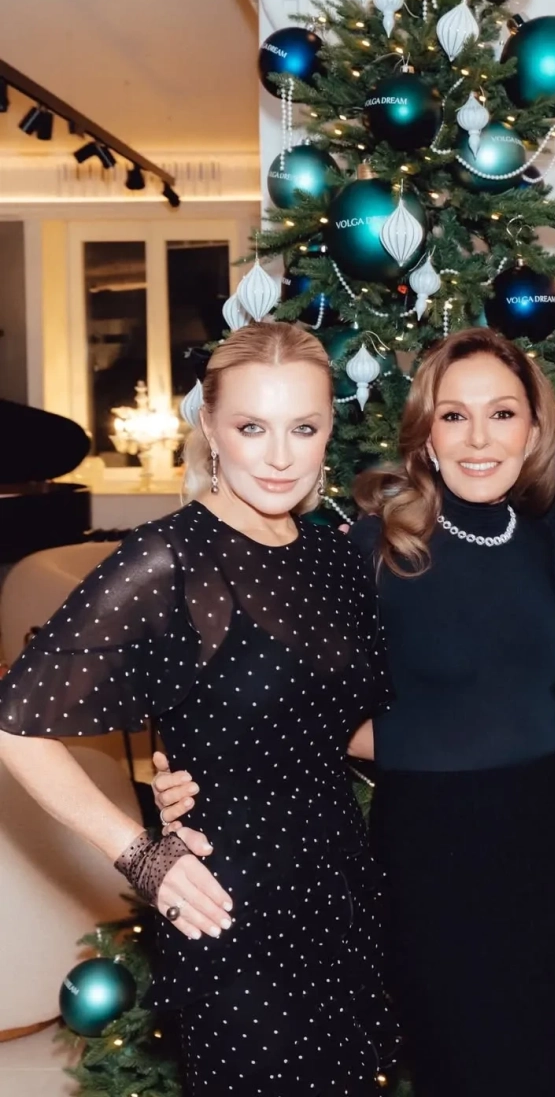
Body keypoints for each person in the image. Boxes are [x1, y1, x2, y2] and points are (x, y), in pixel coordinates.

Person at [155, 328, 555, 1097]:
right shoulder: (369, 548)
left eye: (502, 414)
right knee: (463, 1062)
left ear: (535, 429)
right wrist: (183, 773)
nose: (478, 438)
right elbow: (263, 690)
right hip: (435, 851)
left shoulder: (553, 536)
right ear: (426, 433)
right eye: (454, 415)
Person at [0, 322, 398, 1097]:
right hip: (226, 904)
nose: (279, 456)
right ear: (211, 427)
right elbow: (17, 723)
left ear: (329, 429)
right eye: (252, 427)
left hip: (343, 891)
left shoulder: (333, 556)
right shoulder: (171, 557)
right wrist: (140, 853)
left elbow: (338, 723)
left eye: (304, 427)